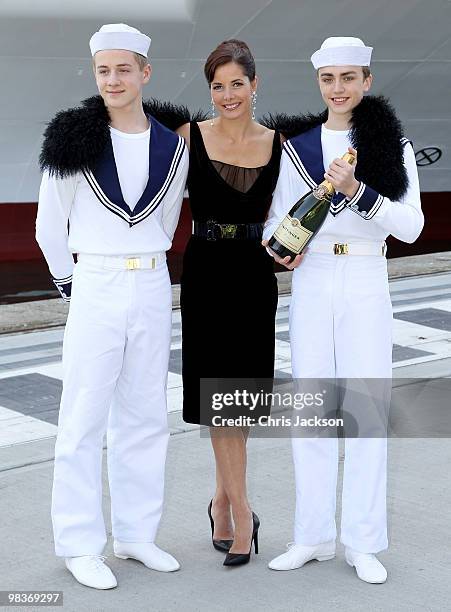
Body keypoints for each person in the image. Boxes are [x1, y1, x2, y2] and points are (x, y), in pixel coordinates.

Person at [263, 37, 423, 583]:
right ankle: (311, 535)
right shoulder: (298, 147)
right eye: (329, 79)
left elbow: (411, 226)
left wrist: (359, 192)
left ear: (367, 81)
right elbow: (275, 219)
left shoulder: (389, 146)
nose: (338, 88)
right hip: (312, 278)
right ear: (319, 83)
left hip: (363, 276)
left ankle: (362, 541)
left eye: (349, 78)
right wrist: (280, 246)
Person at [36, 23, 188, 589]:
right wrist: (72, 288)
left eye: (125, 69)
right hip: (95, 283)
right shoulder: (72, 138)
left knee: (146, 414)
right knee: (81, 418)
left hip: (150, 285)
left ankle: (136, 534)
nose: (114, 79)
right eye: (104, 70)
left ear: (145, 73)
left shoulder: (174, 145)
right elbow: (50, 226)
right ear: (96, 74)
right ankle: (79, 543)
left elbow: (170, 220)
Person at [176, 39, 282, 567]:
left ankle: (221, 500)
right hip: (206, 275)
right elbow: (160, 203)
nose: (226, 95)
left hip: (253, 276)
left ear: (255, 84)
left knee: (234, 401)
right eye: (217, 86)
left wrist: (294, 250)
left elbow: (291, 215)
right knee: (219, 401)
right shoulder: (188, 137)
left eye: (236, 83)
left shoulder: (279, 144)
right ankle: (242, 514)